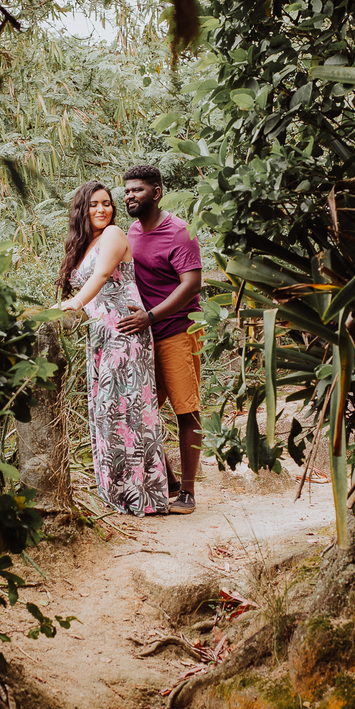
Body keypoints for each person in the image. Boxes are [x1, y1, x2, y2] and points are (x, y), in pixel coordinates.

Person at [58, 181, 170, 516]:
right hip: (100, 337)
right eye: (94, 204)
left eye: (107, 203)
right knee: (107, 412)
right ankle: (117, 491)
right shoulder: (84, 243)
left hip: (124, 331)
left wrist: (74, 302)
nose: (102, 209)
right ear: (82, 209)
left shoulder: (113, 235)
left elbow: (105, 274)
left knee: (127, 410)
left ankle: (143, 494)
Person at [117, 165, 203, 515]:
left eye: (137, 190)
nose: (129, 196)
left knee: (187, 411)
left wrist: (151, 317)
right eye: (126, 191)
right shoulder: (131, 232)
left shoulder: (179, 232)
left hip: (177, 332)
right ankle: (165, 481)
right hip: (143, 337)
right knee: (142, 410)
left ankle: (188, 491)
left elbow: (191, 284)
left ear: (156, 192)